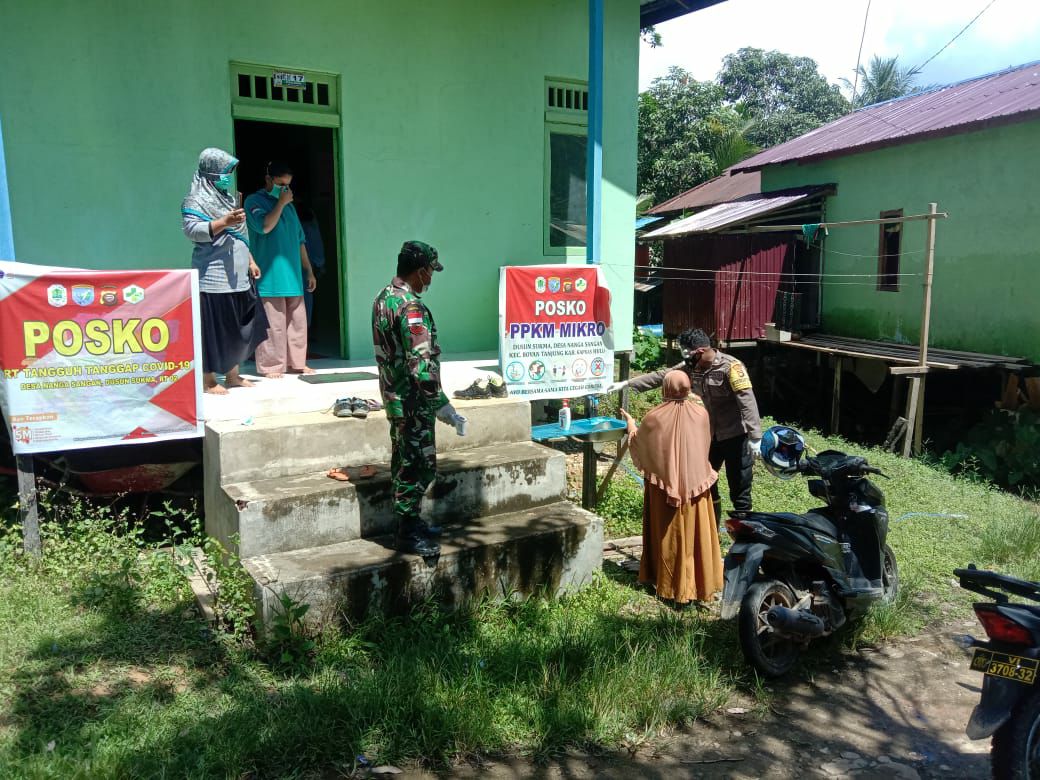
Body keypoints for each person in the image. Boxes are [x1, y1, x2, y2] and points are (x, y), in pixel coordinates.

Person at [372, 240, 463, 556]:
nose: (431, 279)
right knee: (418, 464)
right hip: (412, 402)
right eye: (430, 272)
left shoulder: (383, 298)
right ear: (421, 271)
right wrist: (442, 404)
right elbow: (421, 364)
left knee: (403, 460)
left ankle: (411, 522)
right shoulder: (411, 308)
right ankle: (408, 533)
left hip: (394, 396)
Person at [613, 328, 762, 520]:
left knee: (740, 485)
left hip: (735, 435)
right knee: (705, 480)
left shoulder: (731, 367)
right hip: (709, 436)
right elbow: (664, 375)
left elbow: (747, 401)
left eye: (687, 353)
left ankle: (744, 529)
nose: (685, 358)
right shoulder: (692, 365)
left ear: (700, 351)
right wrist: (627, 383)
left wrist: (755, 437)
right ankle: (711, 529)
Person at [621, 370, 722, 607]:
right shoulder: (701, 414)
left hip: (664, 492)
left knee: (668, 536)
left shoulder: (654, 417)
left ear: (665, 388)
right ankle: (698, 584)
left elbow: (641, 443)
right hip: (697, 490)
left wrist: (631, 425)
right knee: (695, 537)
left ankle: (669, 585)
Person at [181, 148, 267, 395]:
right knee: (212, 332)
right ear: (211, 172)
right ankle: (209, 380)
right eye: (224, 172)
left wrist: (251, 260)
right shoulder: (195, 200)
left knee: (237, 329)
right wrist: (223, 222)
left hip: (239, 276)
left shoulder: (228, 199)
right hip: (213, 277)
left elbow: (241, 234)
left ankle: (233, 375)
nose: (228, 177)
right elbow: (192, 231)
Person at [245, 160, 317, 378]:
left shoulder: (290, 208)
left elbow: (300, 241)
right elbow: (265, 226)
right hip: (270, 277)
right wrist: (281, 204)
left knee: (297, 324)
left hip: (293, 276)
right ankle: (271, 366)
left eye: (288, 185)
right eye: (280, 184)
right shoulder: (254, 201)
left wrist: (309, 270)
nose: (285, 189)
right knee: (272, 325)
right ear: (268, 179)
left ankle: (297, 363)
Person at [296, 204, 326, 327]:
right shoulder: (309, 222)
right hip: (303, 269)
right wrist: (320, 265)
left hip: (300, 269)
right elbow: (317, 248)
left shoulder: (300, 219)